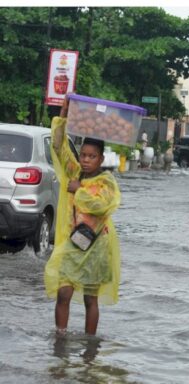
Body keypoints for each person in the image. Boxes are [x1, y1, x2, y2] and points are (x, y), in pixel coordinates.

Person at [44, 96, 121, 336]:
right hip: (74, 244)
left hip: (97, 247)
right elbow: (58, 147)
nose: (86, 160)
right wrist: (63, 116)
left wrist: (80, 191)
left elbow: (102, 206)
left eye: (92, 156)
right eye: (84, 155)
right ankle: (60, 337)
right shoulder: (74, 172)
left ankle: (90, 347)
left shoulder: (106, 181)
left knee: (90, 300)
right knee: (63, 292)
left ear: (101, 158)